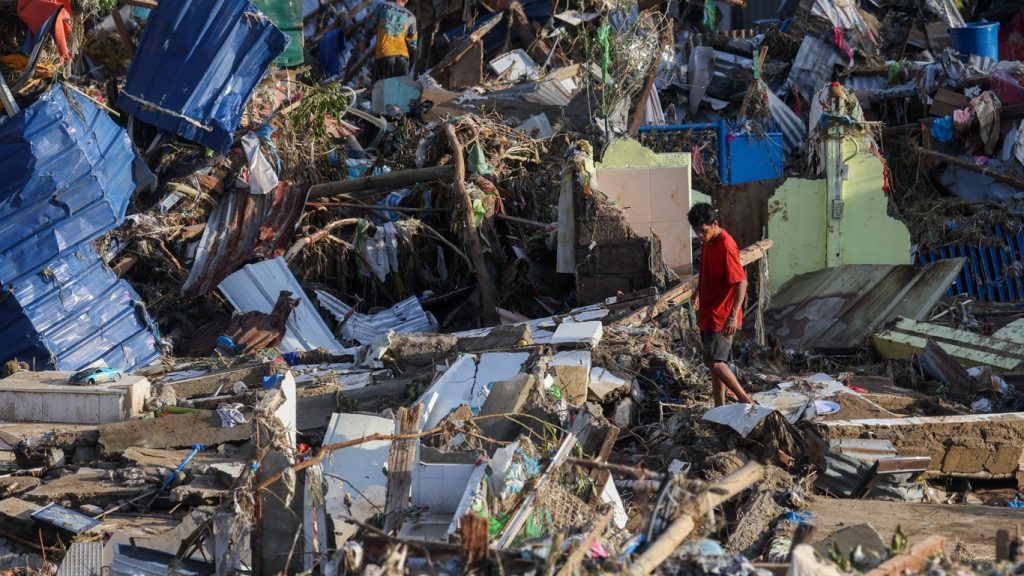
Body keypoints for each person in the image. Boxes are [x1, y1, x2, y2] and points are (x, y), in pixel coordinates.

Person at [687, 202, 754, 406]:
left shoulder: (726, 245)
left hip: (722, 315)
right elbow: (706, 270)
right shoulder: (708, 241)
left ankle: (747, 402)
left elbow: (741, 281)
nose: (700, 235)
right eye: (696, 231)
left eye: (703, 230)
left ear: (714, 224)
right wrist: (698, 291)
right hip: (709, 312)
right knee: (716, 365)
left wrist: (733, 315)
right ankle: (719, 407)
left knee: (713, 362)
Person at [372, 0, 418, 83]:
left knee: (379, 89)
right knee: (400, 90)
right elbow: (413, 45)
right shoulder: (411, 17)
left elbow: (370, 25)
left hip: (385, 55)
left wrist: (365, 42)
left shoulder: (382, 6)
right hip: (403, 59)